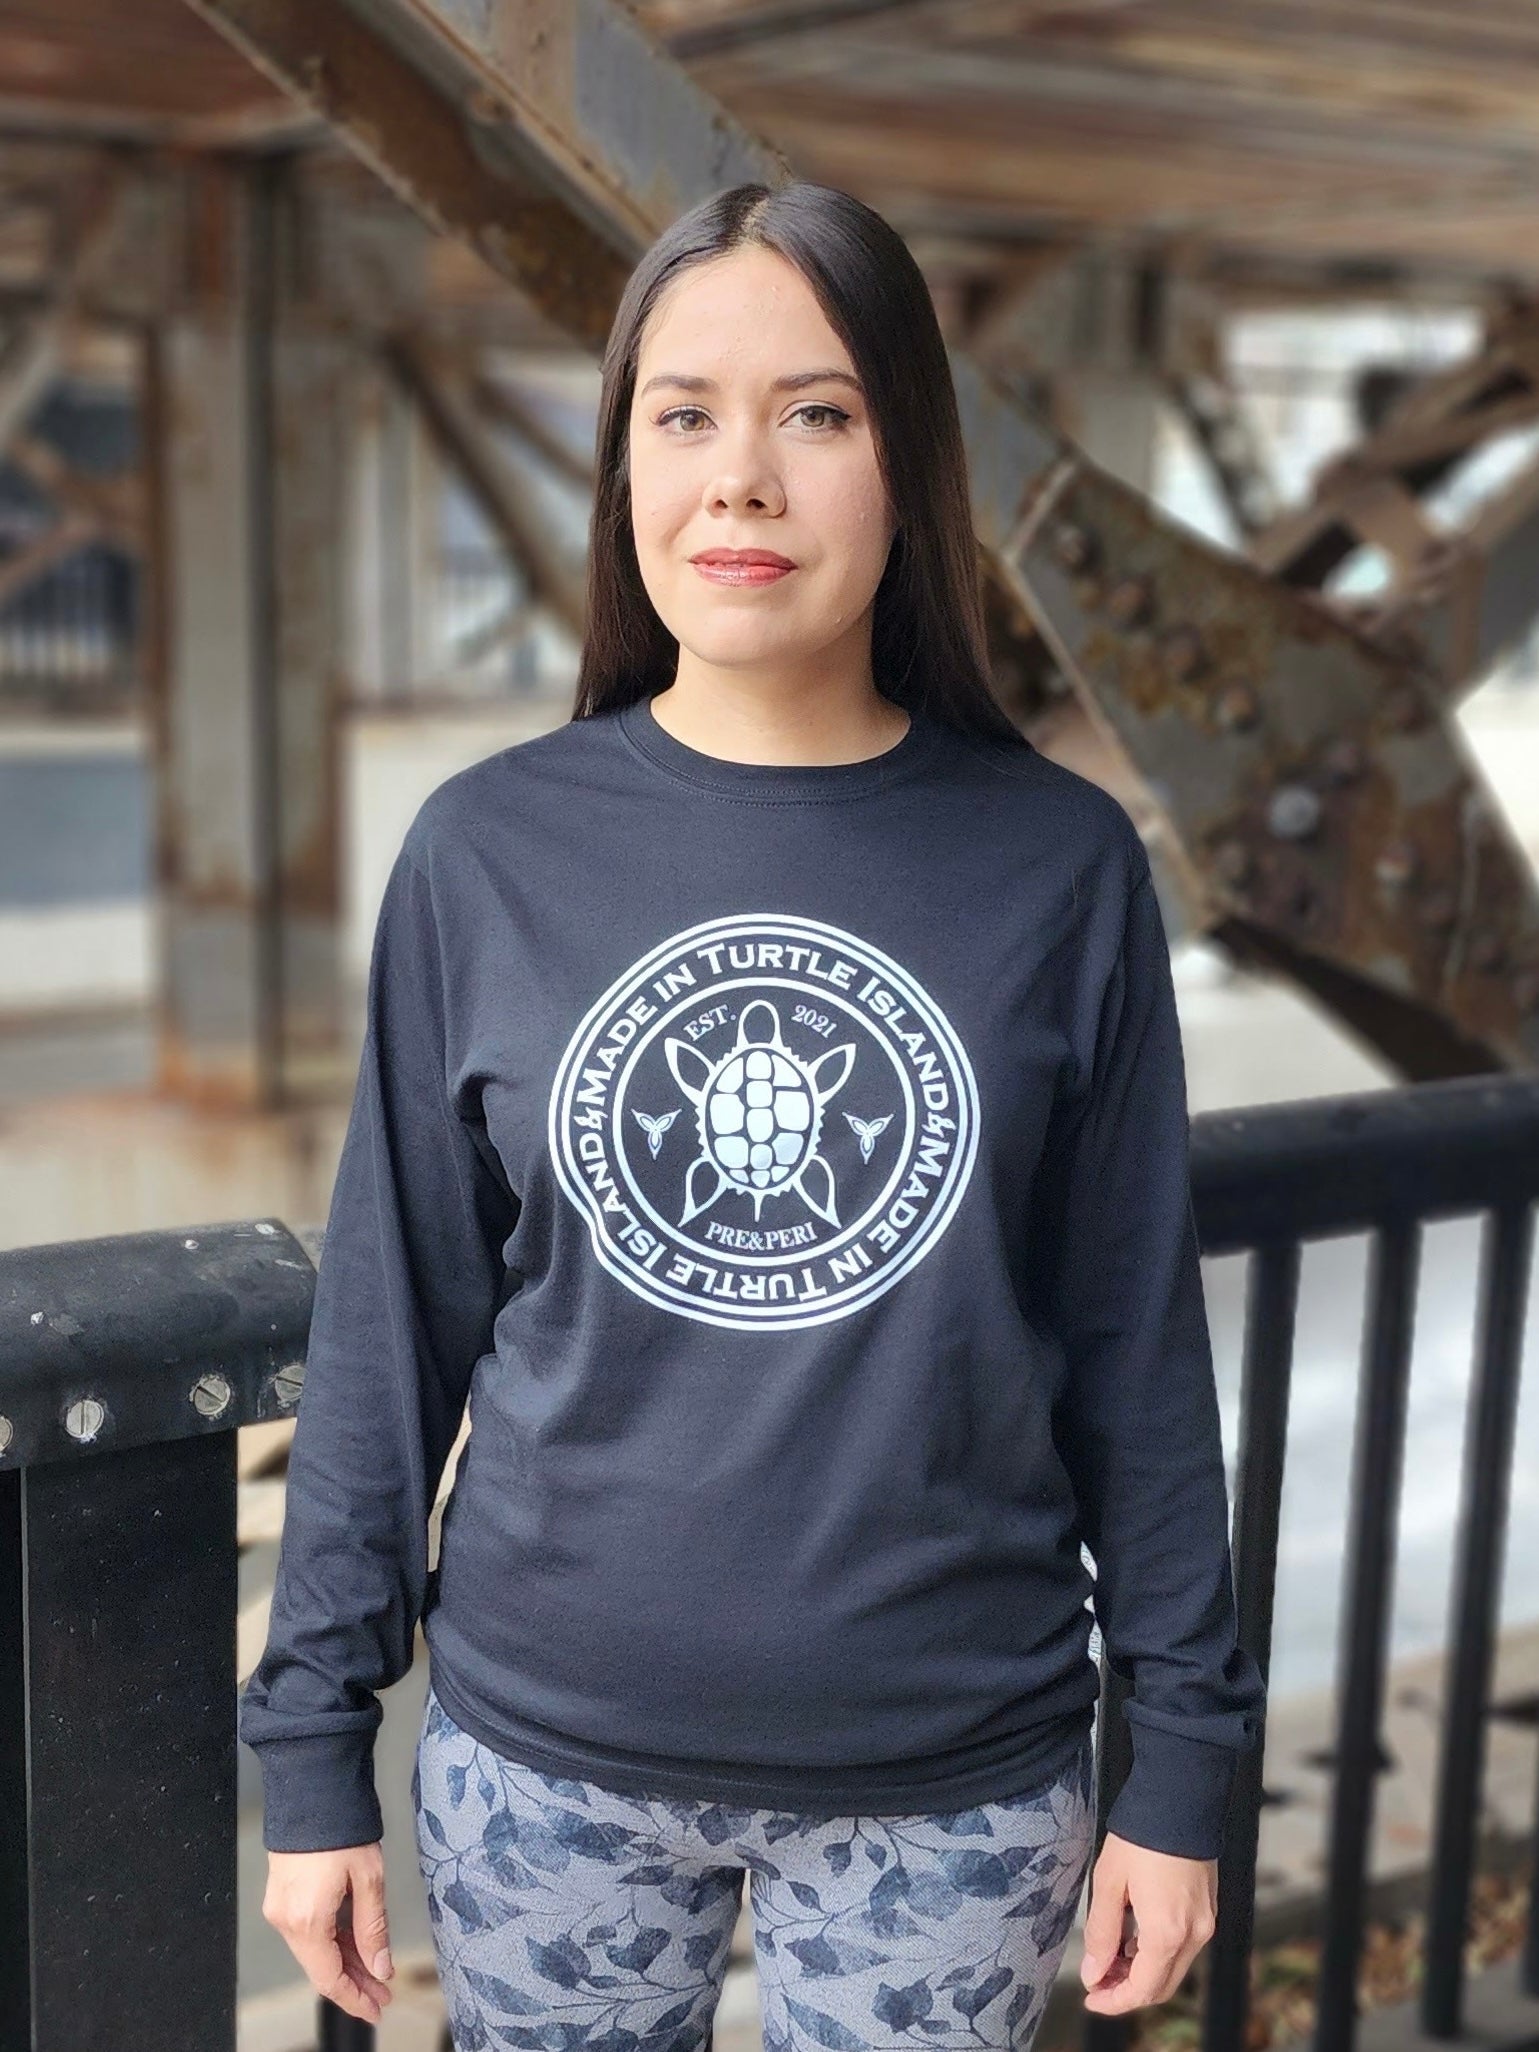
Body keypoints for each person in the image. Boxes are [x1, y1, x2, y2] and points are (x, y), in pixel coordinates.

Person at [242, 178, 1267, 2051]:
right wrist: (311, 1742)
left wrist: (1184, 1755)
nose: (742, 479)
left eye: (818, 412)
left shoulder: (1060, 866)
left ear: (910, 461)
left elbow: (1136, 1346)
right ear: (626, 462)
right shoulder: (488, 852)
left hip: (953, 1776)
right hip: (546, 1761)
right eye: (682, 413)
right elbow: (393, 1324)